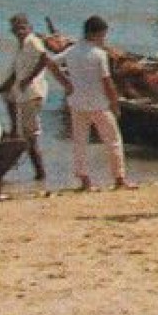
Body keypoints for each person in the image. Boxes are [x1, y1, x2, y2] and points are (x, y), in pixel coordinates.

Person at [54, 16, 135, 191]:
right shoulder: (99, 54)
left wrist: (65, 82)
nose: (104, 38)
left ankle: (84, 181)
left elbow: (51, 63)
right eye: (103, 35)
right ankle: (119, 179)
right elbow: (107, 82)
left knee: (80, 141)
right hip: (98, 103)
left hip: (77, 102)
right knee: (113, 140)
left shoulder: (72, 51)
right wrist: (115, 103)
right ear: (96, 34)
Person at [0, 14, 69, 180]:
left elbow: (44, 58)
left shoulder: (32, 41)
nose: (19, 31)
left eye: (22, 27)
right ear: (12, 31)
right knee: (26, 134)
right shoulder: (22, 47)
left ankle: (40, 174)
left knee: (30, 137)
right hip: (24, 95)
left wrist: (28, 79)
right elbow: (13, 77)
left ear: (30, 28)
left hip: (32, 93)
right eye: (16, 28)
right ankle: (35, 172)